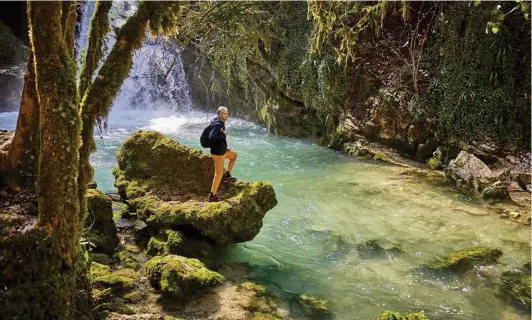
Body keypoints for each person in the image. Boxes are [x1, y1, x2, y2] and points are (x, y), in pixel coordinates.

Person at [208, 106, 238, 202]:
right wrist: (223, 134)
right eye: (225, 113)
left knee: (234, 156)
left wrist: (225, 147)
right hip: (218, 154)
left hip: (222, 150)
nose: (227, 115)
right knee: (218, 174)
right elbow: (211, 137)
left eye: (227, 113)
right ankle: (212, 196)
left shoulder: (220, 121)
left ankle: (227, 175)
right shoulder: (217, 124)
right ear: (220, 114)